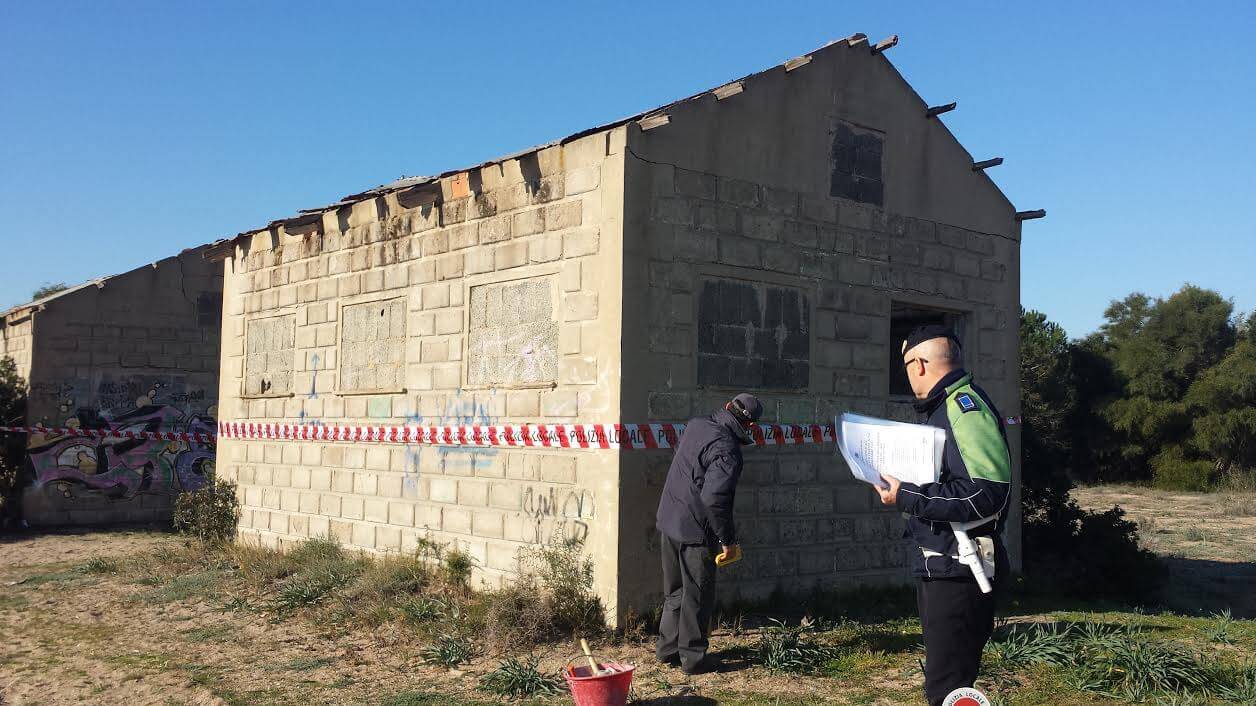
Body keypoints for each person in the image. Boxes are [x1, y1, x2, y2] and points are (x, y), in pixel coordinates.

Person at [874, 324, 1012, 706]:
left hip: (960, 568)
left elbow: (987, 492)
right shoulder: (945, 408)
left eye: (905, 367)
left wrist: (908, 495)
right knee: (947, 681)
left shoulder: (963, 408)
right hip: (945, 564)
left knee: (949, 689)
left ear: (918, 364)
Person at [654, 392, 763, 675]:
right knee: (698, 594)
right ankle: (693, 658)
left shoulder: (696, 424)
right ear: (750, 426)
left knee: (675, 590)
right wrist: (727, 540)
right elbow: (715, 500)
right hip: (694, 530)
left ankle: (668, 650)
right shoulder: (728, 450)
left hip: (669, 520)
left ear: (728, 406)